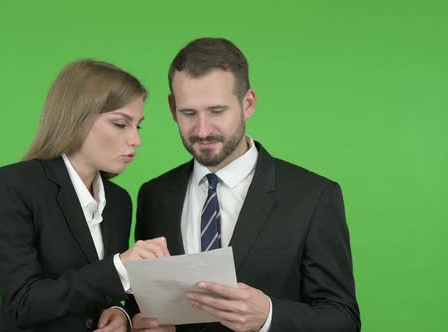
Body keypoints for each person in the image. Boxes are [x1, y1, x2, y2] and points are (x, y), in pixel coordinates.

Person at [128, 38, 361, 331]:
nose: (202, 130)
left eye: (216, 111)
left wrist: (268, 316)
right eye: (189, 113)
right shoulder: (154, 195)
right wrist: (139, 322)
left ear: (247, 103)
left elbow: (343, 319)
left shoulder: (314, 196)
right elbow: (145, 300)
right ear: (173, 108)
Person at [0, 59, 170, 332]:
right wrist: (119, 268)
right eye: (121, 124)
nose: (136, 140)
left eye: (138, 126)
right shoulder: (15, 184)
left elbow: (106, 295)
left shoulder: (119, 201)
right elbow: (22, 303)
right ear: (78, 119)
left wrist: (120, 313)